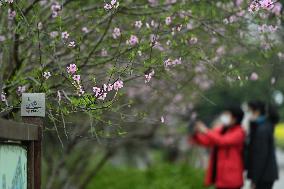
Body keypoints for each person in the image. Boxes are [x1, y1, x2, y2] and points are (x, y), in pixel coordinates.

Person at [191, 106, 245, 189]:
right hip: (220, 176)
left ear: (235, 118)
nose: (224, 117)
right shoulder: (221, 130)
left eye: (227, 115)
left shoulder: (239, 132)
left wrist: (205, 130)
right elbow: (207, 140)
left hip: (232, 178)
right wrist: (195, 134)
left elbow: (222, 141)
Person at [246, 101, 279, 189]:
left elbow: (260, 157)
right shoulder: (265, 126)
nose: (249, 115)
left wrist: (255, 180)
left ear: (257, 112)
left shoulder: (262, 130)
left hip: (262, 177)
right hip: (265, 175)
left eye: (250, 111)